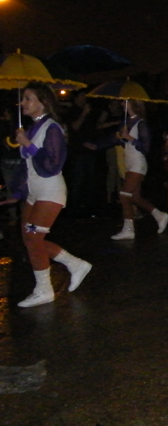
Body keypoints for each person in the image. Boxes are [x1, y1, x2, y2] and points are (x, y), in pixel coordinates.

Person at [1, 83, 91, 307]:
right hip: (34, 194)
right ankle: (75, 264)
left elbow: (53, 163)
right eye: (23, 99)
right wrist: (19, 192)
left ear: (43, 102)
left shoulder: (52, 128)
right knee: (29, 237)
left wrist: (28, 145)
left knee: (33, 239)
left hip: (50, 193)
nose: (22, 103)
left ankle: (45, 289)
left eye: (28, 99)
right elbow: (26, 166)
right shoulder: (31, 128)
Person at [95, 100, 168, 239]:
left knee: (124, 195)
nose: (122, 104)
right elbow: (115, 139)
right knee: (135, 197)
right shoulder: (126, 122)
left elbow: (145, 147)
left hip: (138, 162)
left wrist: (129, 137)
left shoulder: (141, 123)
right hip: (129, 162)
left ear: (134, 104)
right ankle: (160, 215)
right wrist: (97, 145)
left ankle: (129, 229)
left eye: (126, 101)